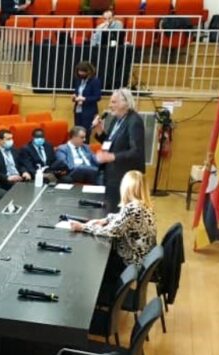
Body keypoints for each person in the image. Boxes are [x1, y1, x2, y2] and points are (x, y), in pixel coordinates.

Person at [68, 170, 155, 302]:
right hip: (140, 256)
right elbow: (121, 218)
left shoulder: (133, 209)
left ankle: (87, 298)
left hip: (131, 262)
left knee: (93, 263)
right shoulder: (142, 205)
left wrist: (84, 227)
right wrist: (104, 220)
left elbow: (112, 231)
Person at [93, 87, 146, 210]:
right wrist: (100, 132)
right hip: (112, 175)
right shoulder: (116, 120)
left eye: (114, 102)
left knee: (121, 213)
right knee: (110, 211)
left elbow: (136, 151)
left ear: (126, 103)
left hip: (126, 177)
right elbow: (111, 144)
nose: (110, 105)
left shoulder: (134, 121)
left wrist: (112, 157)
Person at [73, 61, 102, 140]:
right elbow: (77, 92)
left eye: (82, 71)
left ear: (88, 71)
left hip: (89, 111)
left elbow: (98, 97)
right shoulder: (79, 80)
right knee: (77, 132)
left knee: (86, 133)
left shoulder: (95, 81)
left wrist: (84, 99)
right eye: (79, 71)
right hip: (78, 110)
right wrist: (74, 97)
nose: (80, 73)